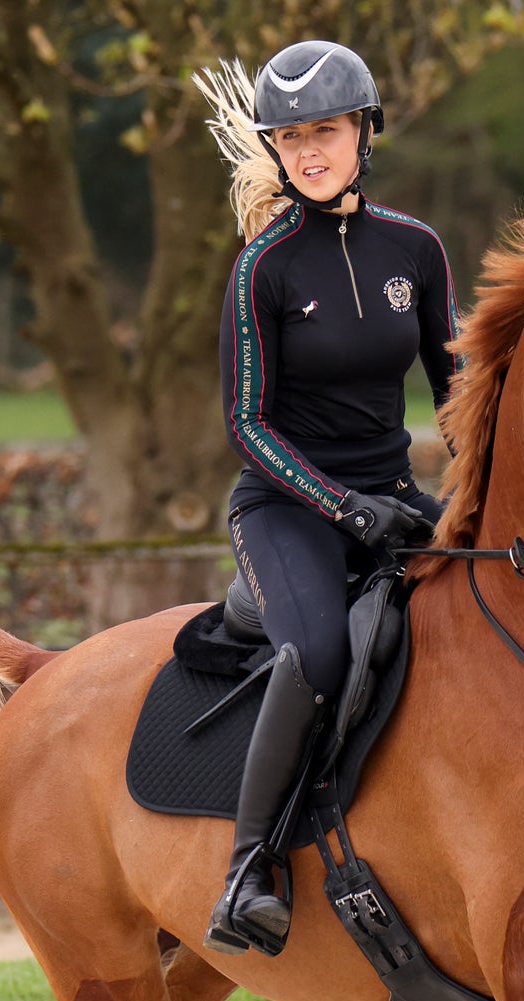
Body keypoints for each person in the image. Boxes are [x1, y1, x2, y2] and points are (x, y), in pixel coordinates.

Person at [193, 41, 461, 955]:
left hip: (394, 496)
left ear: (364, 133)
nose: (309, 151)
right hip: (285, 507)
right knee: (315, 653)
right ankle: (249, 869)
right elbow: (246, 424)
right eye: (292, 137)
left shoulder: (416, 249)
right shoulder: (261, 269)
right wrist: (344, 507)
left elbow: (457, 394)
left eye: (327, 131)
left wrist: (475, 485)